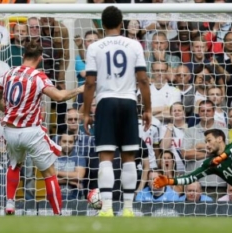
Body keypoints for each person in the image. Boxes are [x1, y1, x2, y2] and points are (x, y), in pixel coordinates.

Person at [0, 40, 84, 216]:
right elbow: (58, 96)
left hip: (10, 131)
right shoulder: (39, 77)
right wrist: (78, 90)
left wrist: (11, 112)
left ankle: (10, 203)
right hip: (31, 131)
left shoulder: (7, 74)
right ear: (40, 58)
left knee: (14, 165)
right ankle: (58, 214)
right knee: (49, 173)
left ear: (24, 55)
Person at [83, 6, 151, 217]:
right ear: (122, 24)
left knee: (106, 156)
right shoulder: (134, 45)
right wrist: (147, 108)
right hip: (129, 102)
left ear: (102, 25)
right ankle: (128, 209)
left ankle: (107, 208)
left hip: (106, 102)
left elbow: (90, 83)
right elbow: (143, 79)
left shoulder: (94, 47)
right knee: (129, 156)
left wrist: (86, 112)